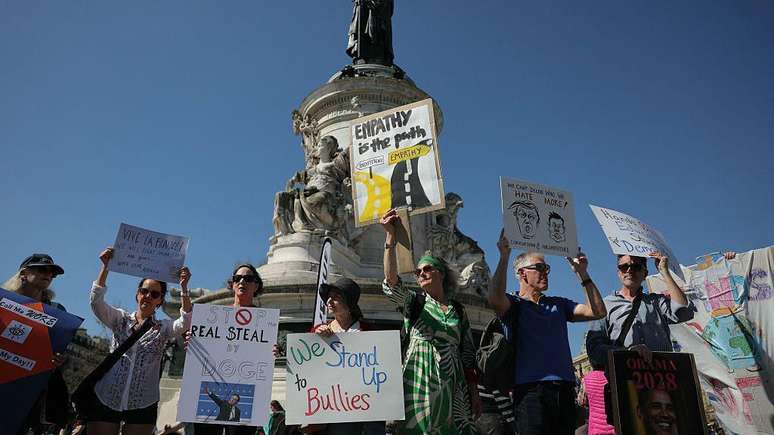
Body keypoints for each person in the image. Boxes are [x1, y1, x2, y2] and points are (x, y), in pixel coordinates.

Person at [487, 230, 607, 435]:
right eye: (539, 267)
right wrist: (504, 256)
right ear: (522, 274)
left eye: (546, 268)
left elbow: (597, 311)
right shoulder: (514, 304)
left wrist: (582, 273)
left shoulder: (559, 304)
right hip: (530, 394)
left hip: (564, 391)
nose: (545, 272)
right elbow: (495, 299)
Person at [381, 209, 481, 435]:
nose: (422, 274)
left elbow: (467, 354)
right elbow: (391, 282)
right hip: (417, 376)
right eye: (418, 271)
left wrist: (474, 392)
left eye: (428, 269)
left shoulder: (458, 310)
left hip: (453, 384)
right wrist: (390, 238)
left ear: (442, 274)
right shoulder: (413, 303)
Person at [87, 248, 192, 435]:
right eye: (144, 291)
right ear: (137, 294)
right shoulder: (119, 319)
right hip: (107, 395)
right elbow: (96, 302)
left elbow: (185, 322)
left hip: (143, 401)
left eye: (155, 294)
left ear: (160, 301)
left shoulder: (163, 328)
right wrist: (106, 267)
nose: (148, 297)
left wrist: (184, 287)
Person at [585, 252, 695, 368]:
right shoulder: (604, 305)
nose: (629, 271)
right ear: (618, 273)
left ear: (645, 274)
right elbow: (594, 348)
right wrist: (627, 353)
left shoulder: (656, 302)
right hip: (625, 377)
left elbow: (684, 312)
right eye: (624, 267)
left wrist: (665, 272)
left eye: (636, 267)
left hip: (662, 376)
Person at [193, 263, 264, 435]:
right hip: (213, 386)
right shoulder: (214, 318)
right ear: (232, 285)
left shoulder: (264, 323)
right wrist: (193, 343)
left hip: (246, 388)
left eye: (248, 279)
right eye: (237, 279)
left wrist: (271, 353)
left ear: (256, 286)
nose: (242, 282)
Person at [4, 254, 70, 435]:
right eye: (42, 269)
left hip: (29, 395)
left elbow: (62, 352)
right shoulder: (3, 303)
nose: (48, 274)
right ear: (24, 273)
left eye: (52, 273)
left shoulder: (57, 311)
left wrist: (61, 361)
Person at [309, 277, 384, 435]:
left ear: (349, 303)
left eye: (336, 297)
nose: (329, 301)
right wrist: (315, 339)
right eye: (329, 297)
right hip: (330, 410)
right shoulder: (318, 331)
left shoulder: (369, 331)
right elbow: (307, 365)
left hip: (365, 409)